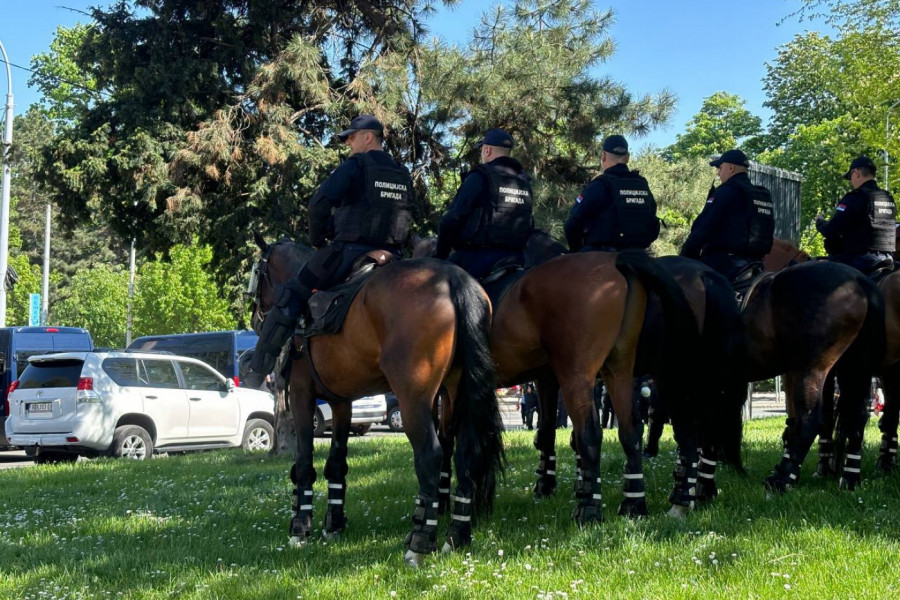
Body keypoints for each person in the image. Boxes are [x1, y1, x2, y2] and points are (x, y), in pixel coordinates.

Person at [244, 115, 416, 389]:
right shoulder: (401, 172)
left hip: (349, 252)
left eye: (351, 136)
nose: (348, 142)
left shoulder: (354, 166)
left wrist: (318, 239)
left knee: (291, 295)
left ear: (368, 137)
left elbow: (319, 203)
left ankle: (255, 374)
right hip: (394, 255)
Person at [435, 129, 534, 279]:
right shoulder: (524, 181)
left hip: (478, 259)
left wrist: (440, 256)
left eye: (481, 150)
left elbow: (451, 219)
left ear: (487, 150)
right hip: (517, 258)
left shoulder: (480, 175)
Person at [680, 149, 775, 281]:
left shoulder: (727, 190)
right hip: (756, 265)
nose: (718, 172)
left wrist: (685, 258)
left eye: (720, 167)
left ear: (730, 168)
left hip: (723, 265)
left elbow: (702, 227)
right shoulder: (761, 194)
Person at [565, 135, 660, 252]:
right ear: (628, 157)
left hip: (599, 255)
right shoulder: (642, 184)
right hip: (640, 255)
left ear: (604, 156)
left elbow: (572, 224)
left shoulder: (599, 185)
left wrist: (575, 253)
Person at [816, 156, 896, 274]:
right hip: (888, 259)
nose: (851, 181)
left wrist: (820, 223)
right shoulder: (887, 197)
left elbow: (831, 230)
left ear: (856, 173)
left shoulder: (856, 197)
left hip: (860, 261)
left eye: (850, 177)